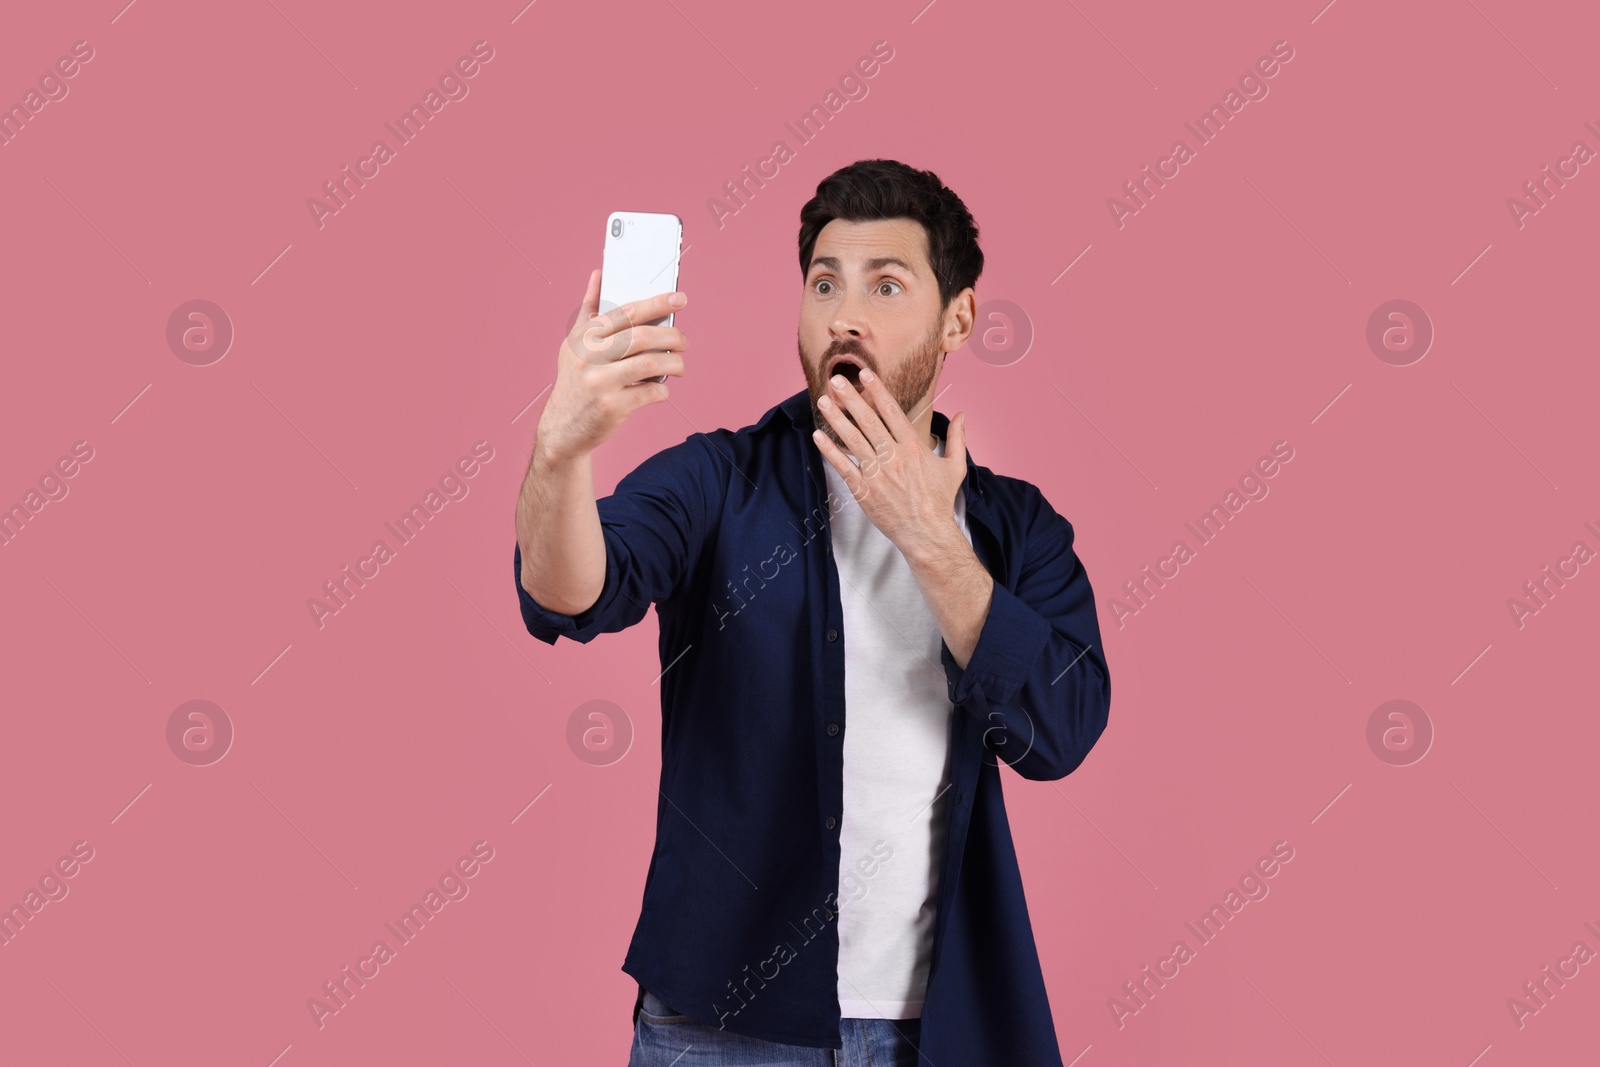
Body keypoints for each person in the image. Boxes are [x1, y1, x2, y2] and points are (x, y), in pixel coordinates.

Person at [513, 159, 1111, 1066]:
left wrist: (931, 539)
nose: (845, 314)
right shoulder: (717, 480)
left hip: (942, 1025)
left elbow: (1064, 727)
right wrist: (559, 450)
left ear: (959, 318)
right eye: (824, 283)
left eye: (887, 283)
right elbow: (569, 590)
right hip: (721, 1029)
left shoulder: (1017, 527)